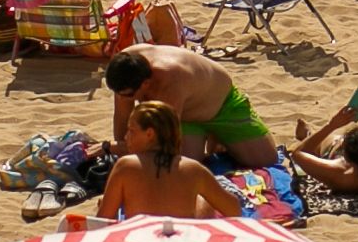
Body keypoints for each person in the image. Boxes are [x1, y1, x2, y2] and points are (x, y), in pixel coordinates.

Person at [105, 44, 275, 169]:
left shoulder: (170, 80)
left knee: (266, 160)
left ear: (146, 84)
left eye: (128, 95)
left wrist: (111, 147)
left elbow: (161, 143)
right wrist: (121, 151)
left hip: (221, 105)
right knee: (179, 166)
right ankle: (210, 139)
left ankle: (217, 136)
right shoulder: (125, 68)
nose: (123, 99)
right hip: (184, 117)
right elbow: (122, 117)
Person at [98, 100, 245, 221]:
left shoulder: (125, 166)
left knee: (104, 202)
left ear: (149, 134)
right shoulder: (193, 169)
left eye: (131, 131)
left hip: (143, 241)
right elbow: (233, 209)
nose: (126, 137)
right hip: (181, 239)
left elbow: (102, 221)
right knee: (202, 200)